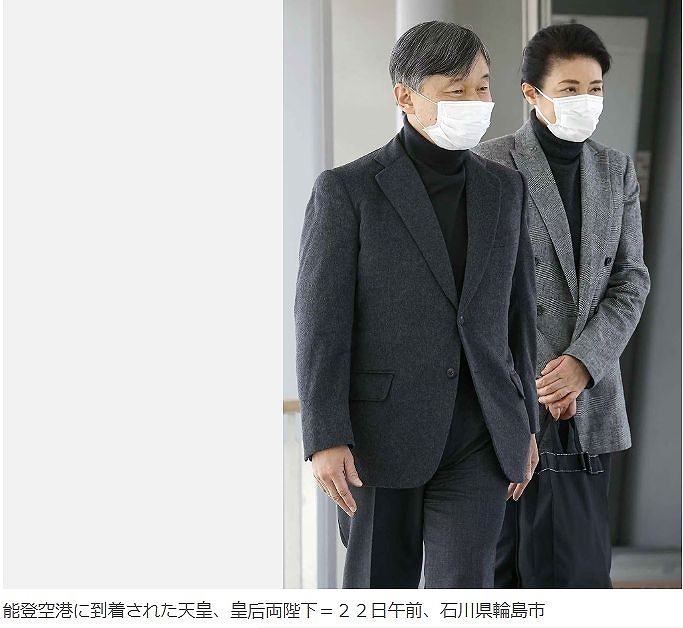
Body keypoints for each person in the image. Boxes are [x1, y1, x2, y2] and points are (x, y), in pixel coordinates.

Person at [295, 21, 539, 589]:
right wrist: (325, 435)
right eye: (456, 91)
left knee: (465, 593)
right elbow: (320, 324)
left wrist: (524, 422)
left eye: (482, 87)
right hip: (379, 438)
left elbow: (519, 315)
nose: (476, 103)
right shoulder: (348, 190)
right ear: (405, 98)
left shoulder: (506, 189)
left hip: (481, 436)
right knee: (379, 590)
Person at [473, 22, 651, 588]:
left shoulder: (615, 170)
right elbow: (474, 293)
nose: (585, 101)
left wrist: (582, 363)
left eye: (594, 88)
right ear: (532, 93)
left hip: (588, 403)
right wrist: (537, 379)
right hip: (506, 402)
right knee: (500, 573)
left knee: (579, 571)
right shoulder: (488, 164)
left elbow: (631, 280)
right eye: (570, 89)